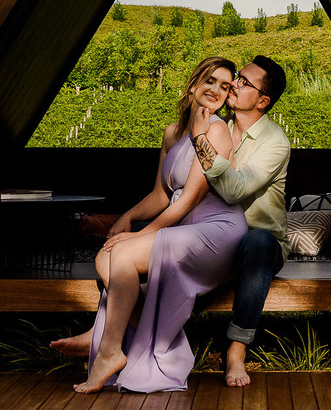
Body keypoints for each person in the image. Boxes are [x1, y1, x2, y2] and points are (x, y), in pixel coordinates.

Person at [50, 56, 247, 393]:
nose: (216, 90)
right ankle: (120, 334)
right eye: (210, 80)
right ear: (193, 83)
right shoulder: (172, 133)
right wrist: (127, 217)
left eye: (225, 86)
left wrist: (138, 236)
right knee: (104, 256)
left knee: (122, 254)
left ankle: (108, 348)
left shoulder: (215, 130)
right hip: (184, 229)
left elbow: (188, 200)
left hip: (217, 230)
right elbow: (161, 194)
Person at [189, 55, 290, 387]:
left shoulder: (275, 142)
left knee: (257, 242)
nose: (234, 83)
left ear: (262, 101)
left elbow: (235, 190)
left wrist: (199, 139)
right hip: (217, 237)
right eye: (237, 77)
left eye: (245, 82)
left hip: (261, 242)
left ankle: (236, 350)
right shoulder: (218, 126)